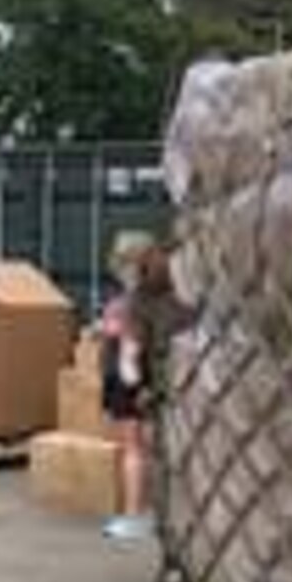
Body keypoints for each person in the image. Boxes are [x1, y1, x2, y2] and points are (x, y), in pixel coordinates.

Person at [98, 232, 186, 543]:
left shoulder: (133, 302)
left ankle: (134, 517)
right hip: (154, 379)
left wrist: (133, 384)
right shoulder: (166, 297)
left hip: (131, 383)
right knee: (151, 449)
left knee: (133, 450)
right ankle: (155, 513)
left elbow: (130, 354)